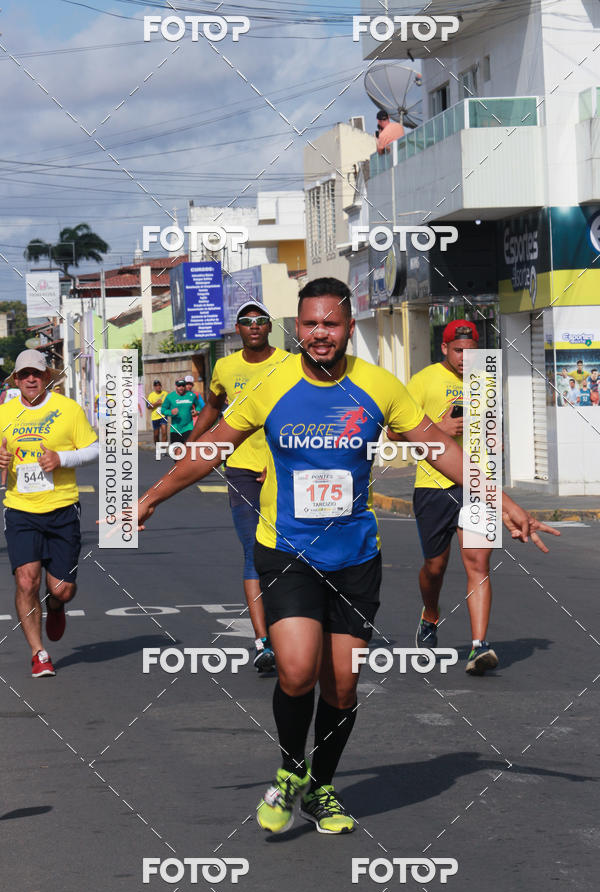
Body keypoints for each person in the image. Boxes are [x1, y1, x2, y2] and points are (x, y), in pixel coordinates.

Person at [136, 278, 558, 836]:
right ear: (299, 327)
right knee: (295, 669)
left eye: (330, 324)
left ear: (348, 328)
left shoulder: (380, 387)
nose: (319, 335)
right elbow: (210, 447)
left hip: (355, 556)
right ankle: (290, 771)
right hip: (285, 550)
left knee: (342, 685)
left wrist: (502, 501)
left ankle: (323, 789)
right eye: (309, 324)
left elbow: (438, 447)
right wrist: (148, 498)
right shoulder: (270, 384)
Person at [188, 300, 288, 673]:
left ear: (270, 326)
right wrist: (193, 443)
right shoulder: (226, 367)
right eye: (246, 322)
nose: (254, 326)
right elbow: (213, 407)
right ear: (238, 329)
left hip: (284, 467)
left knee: (292, 551)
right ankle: (263, 642)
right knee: (253, 553)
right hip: (243, 470)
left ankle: (296, 627)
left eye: (261, 320)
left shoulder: (290, 365)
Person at [396, 320, 500, 674]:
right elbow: (394, 432)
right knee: (435, 568)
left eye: (471, 351)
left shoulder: (485, 378)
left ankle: (479, 647)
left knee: (478, 563)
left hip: (477, 483)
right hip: (433, 486)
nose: (464, 357)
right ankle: (430, 614)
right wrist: (437, 429)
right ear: (444, 348)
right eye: (458, 351)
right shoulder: (423, 380)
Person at [0, 350, 98, 677]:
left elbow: (95, 448)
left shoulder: (68, 410)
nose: (30, 379)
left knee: (62, 590)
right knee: (26, 581)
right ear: (16, 379)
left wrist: (62, 459)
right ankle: (38, 653)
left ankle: (55, 605)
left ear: (46, 378)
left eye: (37, 374)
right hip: (20, 508)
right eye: (24, 374)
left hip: (62, 507)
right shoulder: (4, 413)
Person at [160, 379, 201, 444]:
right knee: (176, 452)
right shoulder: (170, 397)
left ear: (185, 386)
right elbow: (163, 410)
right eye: (179, 386)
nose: (181, 388)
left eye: (183, 386)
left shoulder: (191, 396)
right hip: (175, 429)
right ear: (176, 386)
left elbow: (198, 406)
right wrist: (170, 412)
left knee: (188, 450)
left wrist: (197, 411)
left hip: (188, 427)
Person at [147, 379, 168, 445]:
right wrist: (156, 403)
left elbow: (170, 403)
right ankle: (158, 449)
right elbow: (148, 406)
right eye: (156, 386)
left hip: (163, 416)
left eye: (159, 385)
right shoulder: (151, 395)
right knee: (156, 435)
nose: (158, 387)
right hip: (155, 417)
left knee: (164, 432)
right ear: (154, 387)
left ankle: (163, 450)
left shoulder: (165, 393)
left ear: (161, 386)